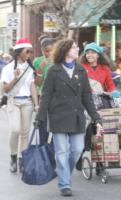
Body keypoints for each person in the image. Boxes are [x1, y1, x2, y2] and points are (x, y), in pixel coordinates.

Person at [36, 39, 102, 197]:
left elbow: (87, 96)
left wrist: (96, 118)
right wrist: (41, 116)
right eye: (74, 47)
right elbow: (46, 95)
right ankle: (64, 183)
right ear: (65, 51)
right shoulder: (53, 70)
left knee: (77, 149)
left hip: (76, 115)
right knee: (61, 151)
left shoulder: (81, 70)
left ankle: (63, 172)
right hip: (58, 115)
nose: (77, 49)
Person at [1, 38, 39, 174]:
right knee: (15, 130)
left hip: (27, 102)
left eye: (31, 51)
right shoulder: (8, 68)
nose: (29, 54)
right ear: (19, 52)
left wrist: (36, 104)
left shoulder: (30, 68)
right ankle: (13, 156)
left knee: (25, 133)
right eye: (27, 51)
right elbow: (5, 89)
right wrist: (15, 78)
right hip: (14, 101)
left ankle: (22, 159)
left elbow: (32, 86)